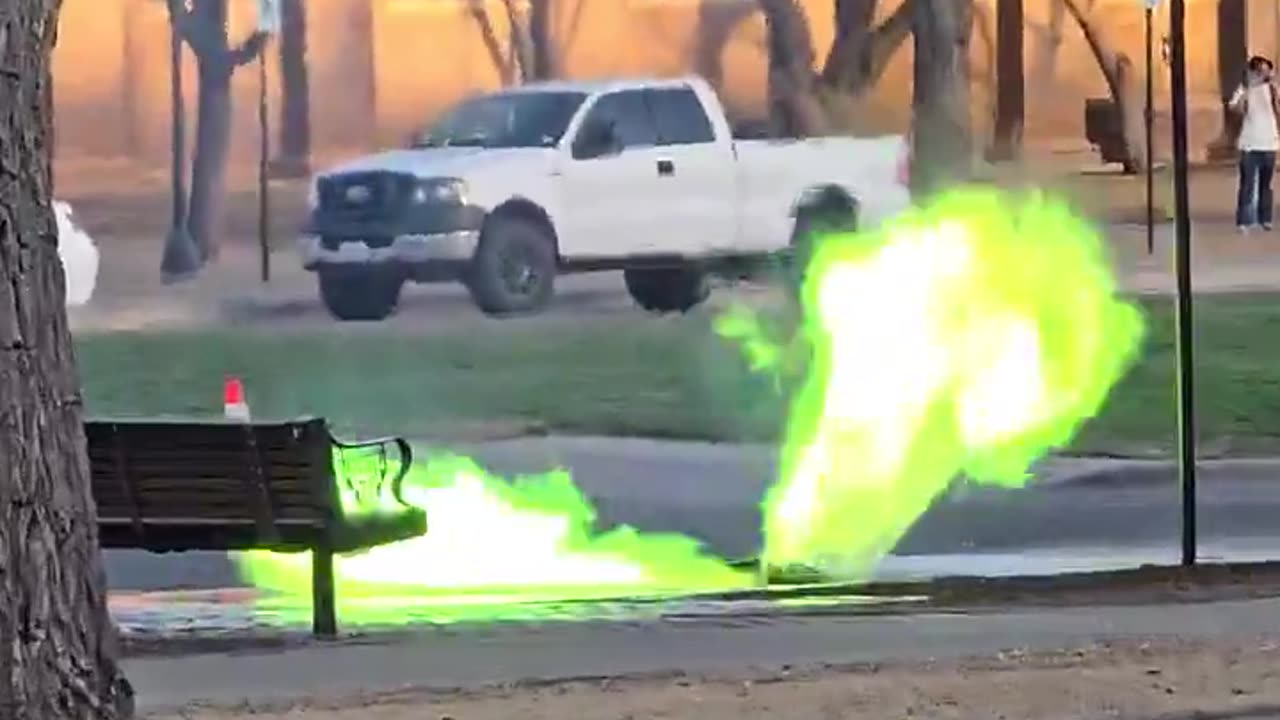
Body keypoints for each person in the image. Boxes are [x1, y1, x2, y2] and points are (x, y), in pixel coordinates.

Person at [1229, 55, 1280, 232]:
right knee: (1247, 184)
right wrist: (1245, 92)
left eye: (1266, 70)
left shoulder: (1273, 89)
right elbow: (1233, 107)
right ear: (1251, 71)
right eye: (1259, 70)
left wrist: (1274, 87)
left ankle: (1265, 218)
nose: (1263, 74)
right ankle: (1244, 220)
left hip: (1270, 143)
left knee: (1266, 185)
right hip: (1249, 144)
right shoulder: (1245, 89)